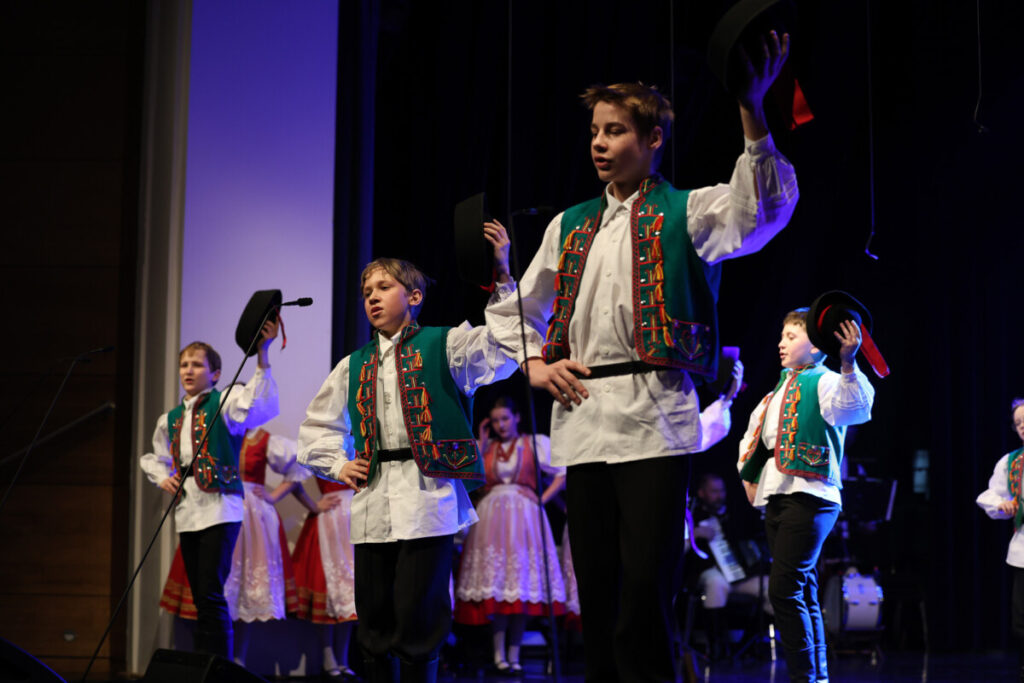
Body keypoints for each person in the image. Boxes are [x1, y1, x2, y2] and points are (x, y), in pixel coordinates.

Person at [484, 33, 798, 680]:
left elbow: (762, 211)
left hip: (654, 416)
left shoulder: (687, 211)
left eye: (616, 130)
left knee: (645, 587)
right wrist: (535, 365)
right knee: (596, 589)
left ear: (653, 140)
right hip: (583, 416)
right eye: (595, 132)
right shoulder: (571, 224)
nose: (599, 143)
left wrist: (751, 107)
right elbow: (518, 310)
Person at [297, 225, 518, 682]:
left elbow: (503, 351)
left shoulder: (445, 345)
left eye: (383, 287)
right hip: (374, 500)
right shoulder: (353, 365)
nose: (372, 298)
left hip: (427, 496)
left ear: (414, 297)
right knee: (374, 619)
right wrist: (339, 464)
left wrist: (502, 277)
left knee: (420, 616)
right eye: (366, 292)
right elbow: (317, 428)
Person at [737, 307, 874, 683]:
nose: (781, 343)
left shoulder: (827, 381)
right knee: (802, 590)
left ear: (815, 346)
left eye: (791, 337)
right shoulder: (774, 393)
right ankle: (815, 677)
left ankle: (804, 678)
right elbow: (753, 439)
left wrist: (848, 363)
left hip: (811, 494)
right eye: (781, 336)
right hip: (778, 495)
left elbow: (856, 409)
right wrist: (748, 476)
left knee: (784, 589)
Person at [139, 322, 280, 658]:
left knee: (212, 592)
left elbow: (259, 405)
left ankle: (218, 666)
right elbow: (155, 457)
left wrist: (262, 355)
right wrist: (162, 477)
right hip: (188, 511)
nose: (188, 370)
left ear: (215, 374)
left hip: (220, 508)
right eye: (184, 365)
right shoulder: (170, 418)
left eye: (197, 365)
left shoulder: (226, 402)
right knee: (201, 595)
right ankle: (205, 662)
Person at [453, 396, 567, 674]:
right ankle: (498, 655)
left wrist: (541, 500)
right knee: (498, 587)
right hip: (492, 520)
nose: (501, 425)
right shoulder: (487, 447)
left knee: (520, 586)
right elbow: (468, 480)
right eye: (495, 421)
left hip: (524, 519)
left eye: (505, 418)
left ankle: (513, 656)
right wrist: (481, 445)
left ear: (517, 417)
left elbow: (562, 473)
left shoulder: (533, 443)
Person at [686, 472, 770, 659]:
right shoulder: (693, 516)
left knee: (771, 588)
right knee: (717, 583)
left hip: (740, 575)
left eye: (721, 491)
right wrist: (695, 533)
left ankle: (745, 645)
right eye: (714, 491)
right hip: (708, 572)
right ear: (701, 493)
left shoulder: (736, 515)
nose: (719, 495)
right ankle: (717, 648)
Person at [292, 475, 359, 680]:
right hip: (331, 520)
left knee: (350, 594)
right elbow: (293, 475)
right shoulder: (316, 451)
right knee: (327, 589)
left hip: (355, 517)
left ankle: (343, 660)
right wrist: (313, 505)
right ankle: (328, 658)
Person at [976, 398, 1024, 682]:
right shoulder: (1012, 462)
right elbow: (990, 495)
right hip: (1022, 553)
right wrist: (1002, 504)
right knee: (1021, 622)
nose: (1022, 427)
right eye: (1018, 423)